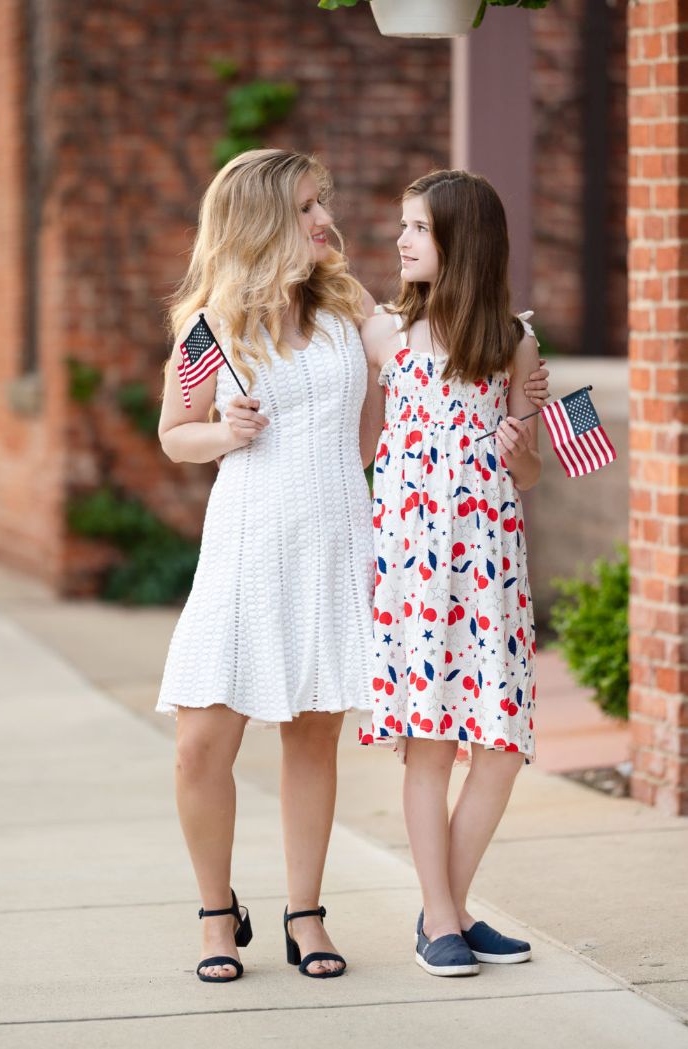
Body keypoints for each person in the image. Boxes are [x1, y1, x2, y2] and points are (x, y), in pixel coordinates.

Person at [157, 150, 549, 984]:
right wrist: (223, 433)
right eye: (307, 206)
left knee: (313, 739)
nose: (324, 218)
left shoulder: (350, 313)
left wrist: (523, 382)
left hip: (338, 542)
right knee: (199, 745)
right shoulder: (209, 326)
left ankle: (307, 912)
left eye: (322, 201)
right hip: (246, 547)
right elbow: (173, 433)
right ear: (264, 220)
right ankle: (217, 913)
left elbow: (415, 390)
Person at [359, 169, 541, 977]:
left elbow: (531, 471)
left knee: (498, 748)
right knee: (429, 747)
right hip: (417, 569)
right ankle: (444, 917)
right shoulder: (388, 336)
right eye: (402, 225)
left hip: (490, 566)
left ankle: (449, 905)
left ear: (461, 242)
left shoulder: (513, 342)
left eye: (418, 229)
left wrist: (518, 446)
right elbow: (367, 440)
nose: (401, 241)